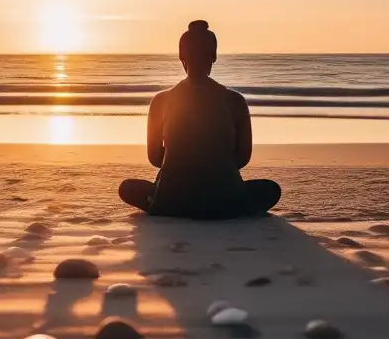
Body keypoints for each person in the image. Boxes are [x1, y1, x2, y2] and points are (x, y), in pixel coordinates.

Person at [119, 20, 281, 219]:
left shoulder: (161, 101)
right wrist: (214, 165)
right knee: (271, 190)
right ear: (213, 56)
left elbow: (155, 158)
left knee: (127, 188)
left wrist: (181, 163)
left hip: (171, 202)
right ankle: (228, 201)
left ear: (181, 56)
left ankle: (168, 201)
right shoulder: (235, 101)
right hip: (228, 203)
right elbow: (241, 158)